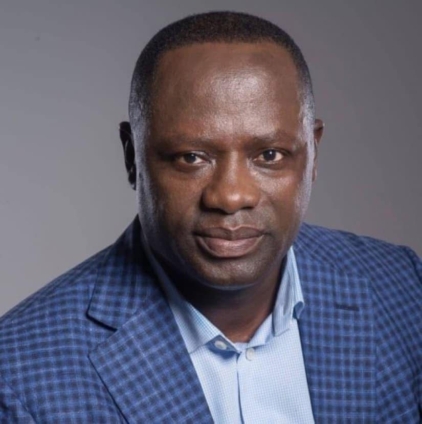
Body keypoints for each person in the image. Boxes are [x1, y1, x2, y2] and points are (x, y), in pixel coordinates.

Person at [0, 11, 421, 424]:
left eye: (269, 155)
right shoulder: (19, 373)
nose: (230, 196)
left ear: (312, 153)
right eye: (191, 157)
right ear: (132, 157)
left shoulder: (405, 289)